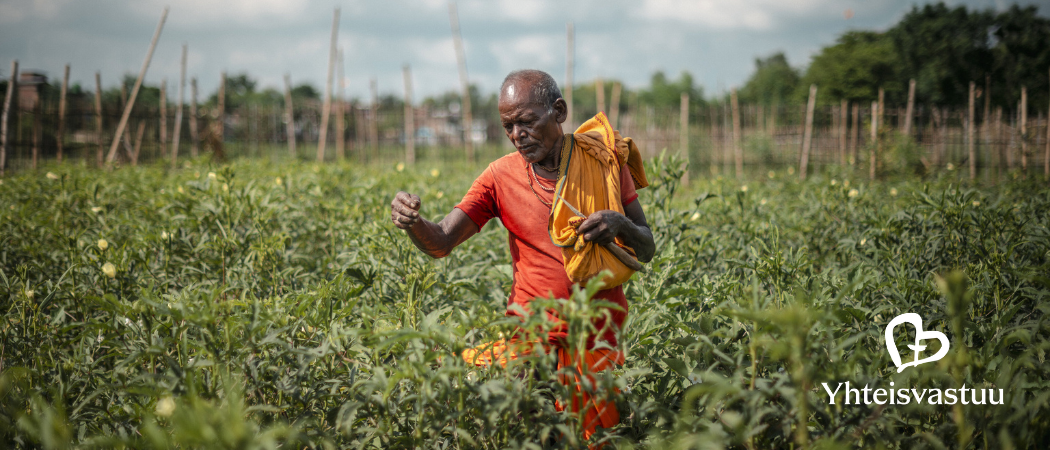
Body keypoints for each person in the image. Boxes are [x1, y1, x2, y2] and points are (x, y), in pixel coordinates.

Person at [389, 69, 655, 443]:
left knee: (592, 440)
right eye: (508, 126)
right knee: (518, 430)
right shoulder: (499, 176)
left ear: (558, 112)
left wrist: (620, 225)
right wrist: (413, 223)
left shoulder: (602, 162)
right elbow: (442, 241)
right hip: (531, 332)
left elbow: (647, 246)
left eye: (527, 122)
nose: (518, 135)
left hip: (596, 333)